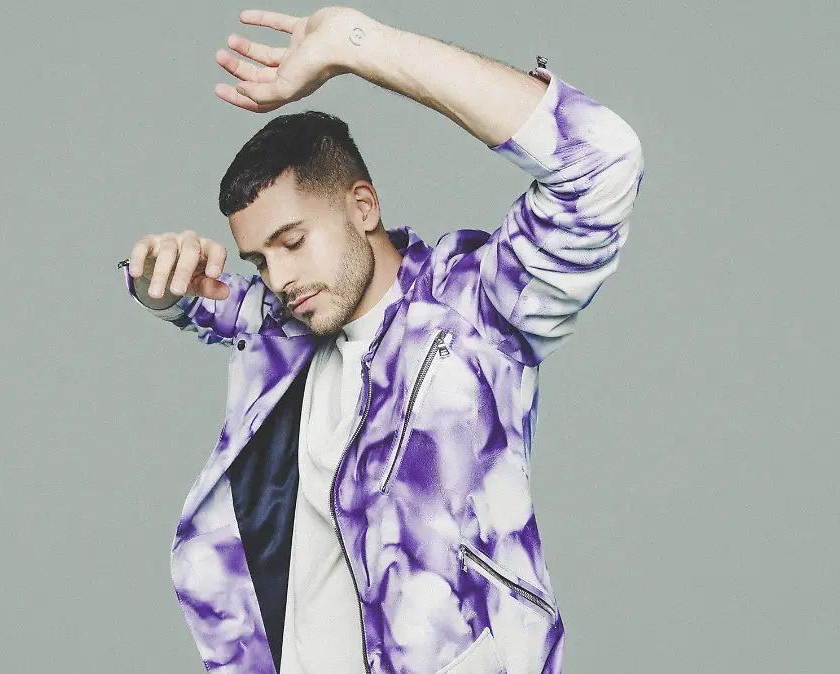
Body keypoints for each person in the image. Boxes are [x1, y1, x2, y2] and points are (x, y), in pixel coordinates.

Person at [119, 7, 644, 674]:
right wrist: (153, 279)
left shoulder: (473, 314)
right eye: (259, 260)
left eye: (293, 242)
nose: (279, 278)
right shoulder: (289, 330)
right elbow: (192, 300)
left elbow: (601, 159)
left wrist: (356, 47)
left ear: (363, 206)